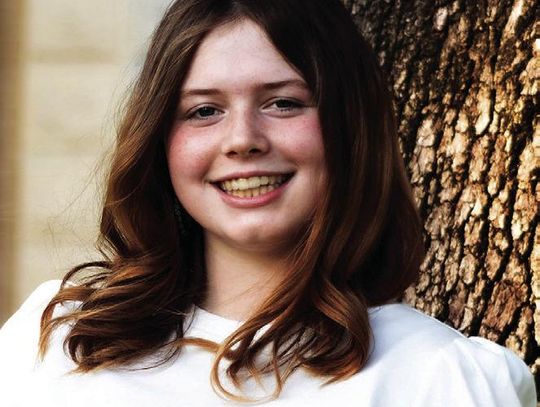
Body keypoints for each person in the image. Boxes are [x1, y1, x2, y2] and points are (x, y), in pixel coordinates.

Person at [0, 0, 535, 406]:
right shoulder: (56, 340)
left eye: (283, 102)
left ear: (351, 128)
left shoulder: (446, 379)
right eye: (203, 111)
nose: (242, 139)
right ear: (160, 141)